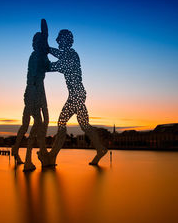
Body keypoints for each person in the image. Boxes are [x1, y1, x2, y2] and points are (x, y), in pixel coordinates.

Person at [39, 29, 107, 166]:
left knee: (61, 123)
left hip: (77, 94)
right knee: (84, 125)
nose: (57, 41)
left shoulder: (71, 55)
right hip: (78, 94)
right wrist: (46, 50)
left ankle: (52, 156)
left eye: (59, 38)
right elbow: (55, 61)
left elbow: (54, 65)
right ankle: (100, 149)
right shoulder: (68, 55)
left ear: (65, 40)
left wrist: (45, 51)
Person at [12, 19, 50, 172]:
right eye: (40, 42)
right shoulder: (35, 56)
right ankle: (28, 159)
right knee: (34, 124)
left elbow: (49, 67)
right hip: (34, 91)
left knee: (40, 122)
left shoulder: (41, 56)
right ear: (37, 44)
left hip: (39, 90)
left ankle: (17, 150)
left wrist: (64, 66)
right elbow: (34, 78)